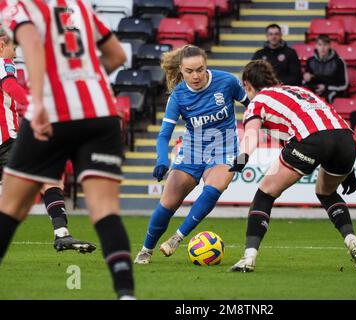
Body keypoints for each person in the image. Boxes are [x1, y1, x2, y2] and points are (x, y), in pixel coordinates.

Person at [0, 0, 135, 299]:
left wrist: (41, 98)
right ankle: (126, 293)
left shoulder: (19, 5)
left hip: (56, 110)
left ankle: (60, 231)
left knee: (10, 208)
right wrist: (84, 80)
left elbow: (32, 45)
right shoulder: (80, 8)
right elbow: (118, 55)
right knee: (105, 211)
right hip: (101, 112)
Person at [228, 60, 356, 273]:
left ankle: (248, 259)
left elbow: (251, 134)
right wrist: (348, 171)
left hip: (311, 138)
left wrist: (242, 157)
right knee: (326, 191)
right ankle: (352, 240)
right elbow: (330, 127)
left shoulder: (257, 102)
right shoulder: (299, 91)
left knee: (265, 193)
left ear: (247, 85)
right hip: (346, 138)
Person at [134, 45, 249, 264]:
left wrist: (253, 134)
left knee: (214, 188)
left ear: (206, 66)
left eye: (200, 69)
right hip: (191, 152)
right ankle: (146, 250)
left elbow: (252, 107)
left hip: (224, 150)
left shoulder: (227, 82)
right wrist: (161, 160)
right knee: (168, 203)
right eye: (189, 71)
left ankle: (178, 237)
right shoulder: (178, 96)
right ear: (181, 70)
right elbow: (163, 135)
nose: (195, 76)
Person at [0, 30, 96, 253]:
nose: (14, 55)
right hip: (5, 141)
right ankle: (62, 234)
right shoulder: (4, 64)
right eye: (14, 49)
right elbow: (11, 87)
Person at [303, 34, 348, 103]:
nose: (322, 48)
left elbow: (344, 85)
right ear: (316, 46)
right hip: (315, 89)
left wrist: (326, 87)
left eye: (325, 45)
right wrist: (306, 78)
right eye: (320, 45)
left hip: (331, 90)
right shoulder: (310, 61)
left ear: (329, 46)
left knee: (326, 98)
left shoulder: (338, 62)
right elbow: (305, 81)